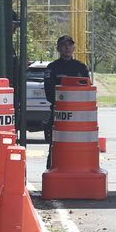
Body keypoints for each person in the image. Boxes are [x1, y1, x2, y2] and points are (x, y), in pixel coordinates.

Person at [44, 35, 90, 167]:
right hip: (60, 113)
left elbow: (87, 89)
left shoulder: (81, 67)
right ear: (58, 48)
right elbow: (49, 93)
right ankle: (52, 169)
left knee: (78, 145)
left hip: (78, 115)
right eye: (64, 45)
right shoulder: (52, 68)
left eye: (70, 45)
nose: (67, 48)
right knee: (56, 144)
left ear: (74, 47)